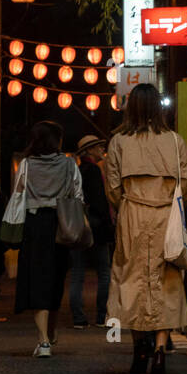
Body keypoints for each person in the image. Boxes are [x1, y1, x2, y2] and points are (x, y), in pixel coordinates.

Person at [105, 82, 187, 374]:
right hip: (166, 216)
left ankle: (138, 348)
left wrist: (129, 204)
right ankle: (159, 348)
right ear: (158, 107)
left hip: (133, 214)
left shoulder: (119, 141)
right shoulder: (174, 140)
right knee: (166, 279)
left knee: (131, 280)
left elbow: (113, 188)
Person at [12, 120, 84, 357]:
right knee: (56, 278)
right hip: (60, 224)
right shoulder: (69, 164)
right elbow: (78, 194)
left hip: (34, 225)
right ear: (56, 141)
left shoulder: (26, 165)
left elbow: (18, 194)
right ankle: (50, 332)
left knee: (38, 280)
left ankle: (43, 340)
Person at [69, 134, 114, 328]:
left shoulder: (76, 171)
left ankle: (78, 318)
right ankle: (101, 315)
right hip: (97, 228)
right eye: (96, 147)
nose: (100, 150)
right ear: (88, 151)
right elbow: (99, 202)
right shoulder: (94, 171)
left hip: (78, 227)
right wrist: (108, 223)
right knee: (104, 272)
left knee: (77, 273)